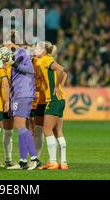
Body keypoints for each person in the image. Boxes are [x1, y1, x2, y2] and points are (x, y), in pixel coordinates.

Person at [3, 32, 41, 170]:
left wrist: (14, 64)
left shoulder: (22, 52)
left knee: (20, 125)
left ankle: (35, 159)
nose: (5, 44)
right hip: (18, 93)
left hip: (23, 93)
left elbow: (31, 71)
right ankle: (23, 161)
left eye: (6, 41)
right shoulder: (14, 54)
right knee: (20, 127)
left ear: (12, 42)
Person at [35, 41, 69, 170]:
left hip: (53, 99)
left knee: (47, 130)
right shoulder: (48, 59)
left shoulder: (45, 60)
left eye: (38, 47)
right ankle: (64, 162)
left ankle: (53, 162)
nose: (35, 49)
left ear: (44, 50)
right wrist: (60, 86)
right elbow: (64, 74)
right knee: (58, 132)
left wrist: (55, 86)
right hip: (61, 99)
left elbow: (61, 69)